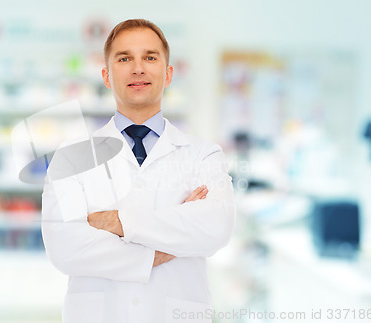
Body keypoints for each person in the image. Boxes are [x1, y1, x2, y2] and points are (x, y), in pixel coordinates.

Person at [41, 18, 236, 323]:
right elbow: (64, 247)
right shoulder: (72, 157)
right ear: (106, 76)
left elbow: (216, 228)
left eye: (150, 57)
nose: (138, 68)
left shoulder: (203, 155)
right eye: (124, 58)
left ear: (168, 73)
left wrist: (116, 221)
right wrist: (164, 248)